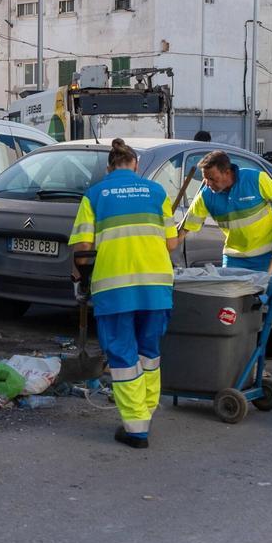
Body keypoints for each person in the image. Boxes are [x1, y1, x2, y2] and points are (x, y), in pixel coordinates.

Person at [69, 139, 179, 448]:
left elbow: (83, 249)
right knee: (149, 353)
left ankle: (135, 427)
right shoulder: (157, 193)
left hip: (115, 288)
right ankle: (147, 411)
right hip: (156, 288)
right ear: (136, 165)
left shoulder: (94, 195)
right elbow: (171, 244)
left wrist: (79, 277)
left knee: (122, 355)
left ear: (109, 168)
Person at [177, 151, 272, 378]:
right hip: (235, 256)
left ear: (228, 172)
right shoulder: (207, 195)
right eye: (205, 178)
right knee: (233, 309)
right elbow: (184, 229)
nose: (208, 183)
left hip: (268, 253)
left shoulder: (255, 180)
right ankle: (240, 354)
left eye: (212, 178)